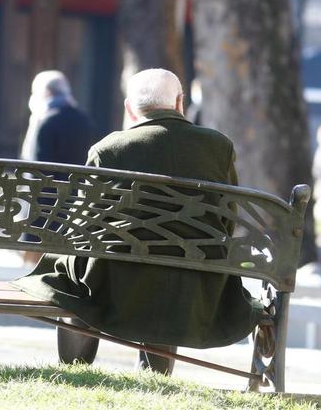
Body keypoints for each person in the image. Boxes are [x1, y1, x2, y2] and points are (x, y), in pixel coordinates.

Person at [13, 68, 257, 375]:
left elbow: (83, 227)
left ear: (130, 108)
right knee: (168, 268)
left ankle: (75, 368)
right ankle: (156, 374)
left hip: (117, 282)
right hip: (194, 284)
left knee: (69, 274)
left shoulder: (109, 149)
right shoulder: (218, 147)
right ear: (180, 102)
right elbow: (226, 217)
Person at [20, 70, 94, 264]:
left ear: (44, 93)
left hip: (43, 211)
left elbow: (36, 172)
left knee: (32, 265)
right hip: (75, 208)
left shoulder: (45, 120)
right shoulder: (83, 120)